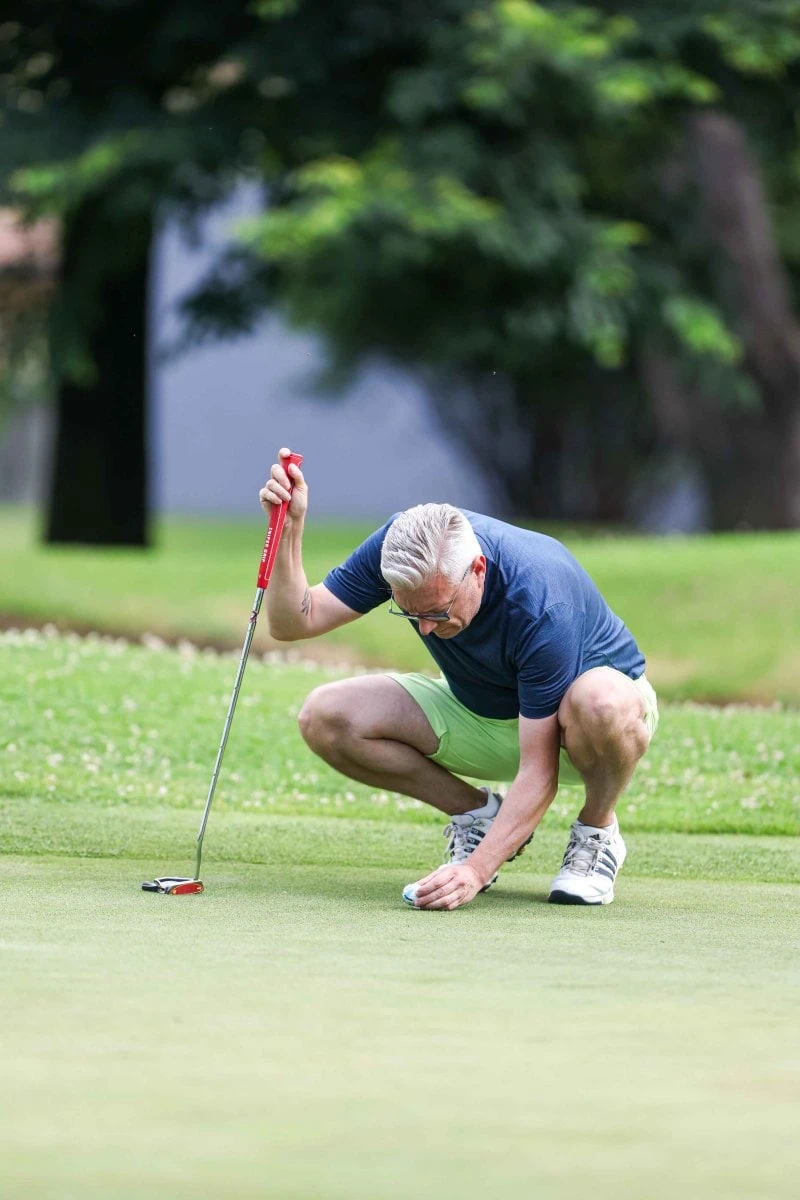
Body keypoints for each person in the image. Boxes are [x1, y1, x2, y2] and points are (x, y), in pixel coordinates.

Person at [260, 449, 658, 912]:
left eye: (436, 611)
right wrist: (289, 529)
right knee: (325, 716)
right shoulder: (403, 545)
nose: (425, 628)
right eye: (410, 612)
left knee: (601, 701)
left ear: (478, 571)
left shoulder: (541, 597)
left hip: (587, 733)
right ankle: (479, 816)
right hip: (483, 710)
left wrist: (475, 871)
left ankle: (597, 831)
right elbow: (293, 623)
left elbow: (540, 769)